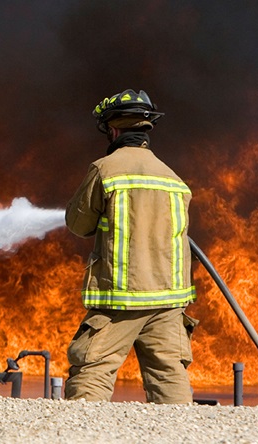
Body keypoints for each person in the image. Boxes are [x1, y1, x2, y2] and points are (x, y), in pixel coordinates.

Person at [63, 89, 199, 404]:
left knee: (91, 373)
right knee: (170, 381)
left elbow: (78, 224)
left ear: (113, 130)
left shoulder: (105, 169)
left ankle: (79, 436)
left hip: (121, 302)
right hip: (168, 301)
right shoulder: (173, 178)